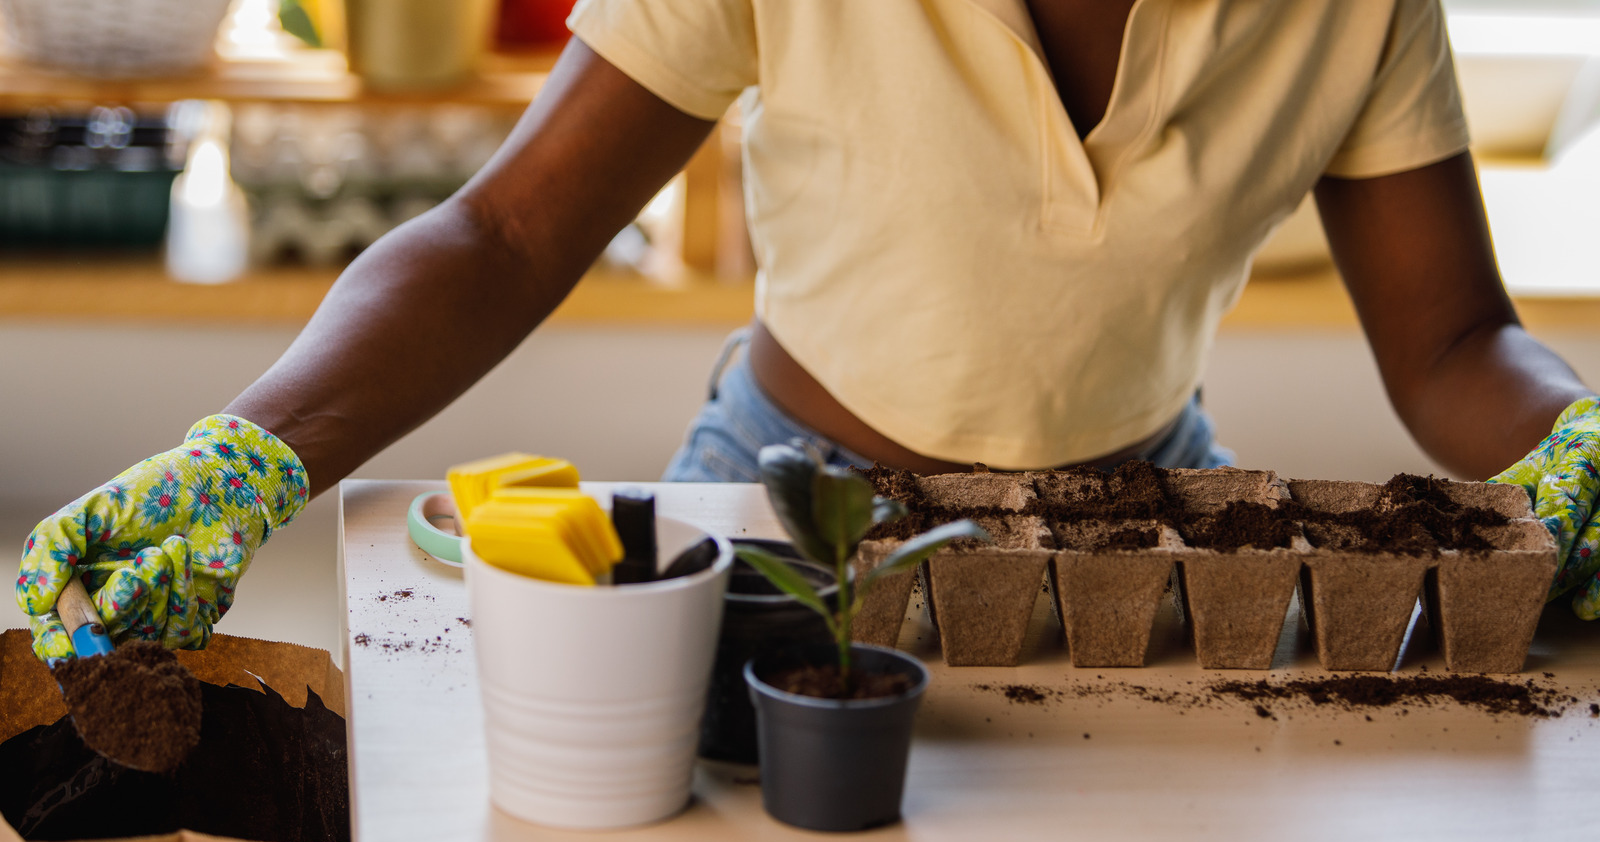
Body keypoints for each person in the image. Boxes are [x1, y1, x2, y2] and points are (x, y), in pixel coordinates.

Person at [15, 0, 1600, 661]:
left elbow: (1456, 339)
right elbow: (505, 231)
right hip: (779, 507)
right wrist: (245, 457)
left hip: (1143, 526)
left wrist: (1579, 435)